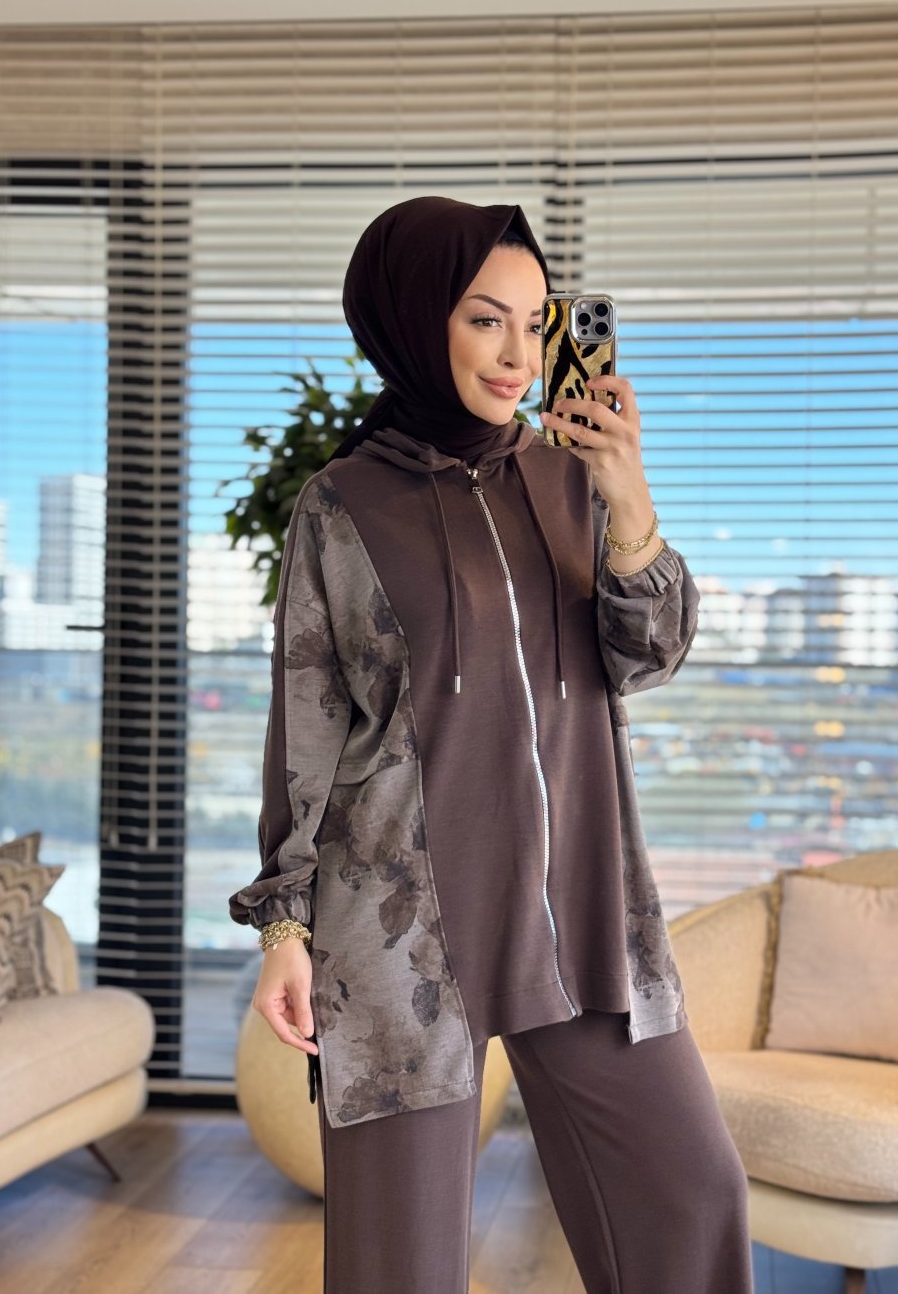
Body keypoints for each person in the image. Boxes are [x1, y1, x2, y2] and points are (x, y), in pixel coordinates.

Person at [228, 195, 753, 1293]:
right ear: (416, 320)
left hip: (583, 908)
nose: (519, 355)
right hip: (399, 928)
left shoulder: (572, 478)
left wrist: (627, 498)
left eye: (534, 321)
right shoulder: (341, 505)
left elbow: (649, 655)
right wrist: (284, 925)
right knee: (401, 1262)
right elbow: (307, 728)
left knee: (689, 1194)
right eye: (484, 319)